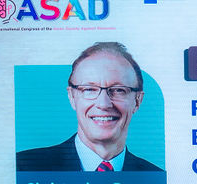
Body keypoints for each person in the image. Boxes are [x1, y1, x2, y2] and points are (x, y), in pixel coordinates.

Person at [16, 42, 162, 172]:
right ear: (72, 97)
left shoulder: (156, 178)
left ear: (137, 100)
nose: (104, 104)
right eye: (89, 89)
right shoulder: (24, 168)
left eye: (119, 90)